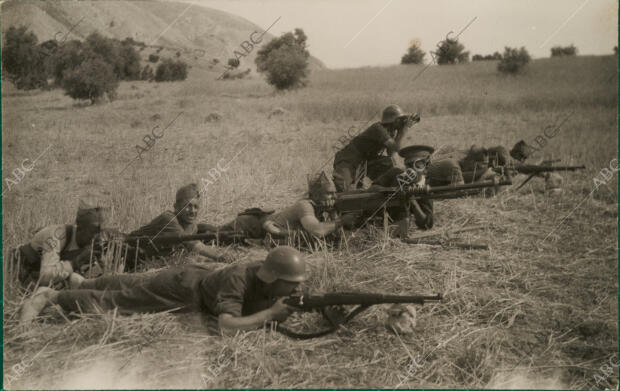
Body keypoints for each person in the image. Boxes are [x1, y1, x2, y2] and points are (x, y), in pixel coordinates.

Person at [20, 246, 306, 332]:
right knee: (119, 302)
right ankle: (51, 296)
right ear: (274, 277)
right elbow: (227, 325)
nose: (295, 288)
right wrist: (270, 314)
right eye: (291, 284)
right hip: (184, 291)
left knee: (135, 283)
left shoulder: (266, 269)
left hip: (193, 275)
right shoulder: (238, 279)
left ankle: (84, 281)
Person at [216, 172, 357, 241]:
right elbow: (317, 231)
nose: (333, 197)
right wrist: (342, 221)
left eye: (334, 194)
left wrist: (333, 214)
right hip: (250, 226)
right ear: (315, 195)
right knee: (214, 236)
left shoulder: (321, 208)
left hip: (262, 233)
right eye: (328, 194)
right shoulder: (305, 205)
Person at [9, 197, 107, 288]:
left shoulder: (92, 240)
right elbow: (45, 277)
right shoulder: (56, 236)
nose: (98, 236)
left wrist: (101, 263)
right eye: (94, 231)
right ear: (80, 227)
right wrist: (75, 263)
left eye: (100, 231)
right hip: (19, 267)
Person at [128, 183, 230, 265]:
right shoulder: (168, 219)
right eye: (188, 206)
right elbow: (192, 244)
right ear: (176, 207)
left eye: (196, 207)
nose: (192, 211)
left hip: (146, 261)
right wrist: (219, 255)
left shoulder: (192, 227)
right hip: (128, 252)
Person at [333, 104, 419, 192]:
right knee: (345, 192)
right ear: (395, 120)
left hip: (364, 161)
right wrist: (405, 129)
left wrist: (400, 131)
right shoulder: (378, 129)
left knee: (388, 162)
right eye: (400, 119)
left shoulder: (391, 132)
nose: (402, 122)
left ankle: (384, 188)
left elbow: (391, 153)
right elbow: (396, 148)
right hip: (348, 159)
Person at [369, 145, 435, 238]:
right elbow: (372, 188)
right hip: (373, 216)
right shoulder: (396, 173)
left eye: (418, 165)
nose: (412, 170)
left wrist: (412, 201)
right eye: (409, 165)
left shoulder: (423, 188)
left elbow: (427, 224)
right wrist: (391, 191)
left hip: (397, 225)